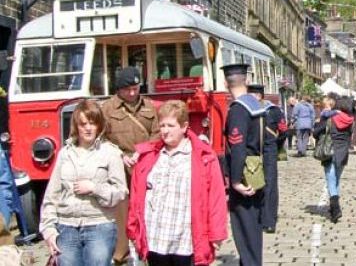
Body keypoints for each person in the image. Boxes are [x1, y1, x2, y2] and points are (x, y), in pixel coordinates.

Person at [127, 100, 227, 266]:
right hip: (156, 235)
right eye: (162, 125)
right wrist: (133, 228)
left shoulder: (203, 157)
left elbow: (216, 198)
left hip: (185, 236)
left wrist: (216, 233)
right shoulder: (149, 156)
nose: (165, 131)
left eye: (170, 126)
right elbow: (136, 196)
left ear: (184, 126)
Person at [40, 99, 127, 266]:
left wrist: (95, 188)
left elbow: (120, 191)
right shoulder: (65, 154)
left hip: (99, 225)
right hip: (66, 226)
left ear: (99, 125)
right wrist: (49, 230)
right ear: (76, 126)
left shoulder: (110, 153)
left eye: (92, 123)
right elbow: (51, 195)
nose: (88, 128)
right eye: (83, 123)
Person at [101, 66, 159, 265]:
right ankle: (121, 253)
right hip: (119, 171)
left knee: (146, 210)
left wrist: (142, 151)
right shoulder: (106, 109)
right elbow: (101, 138)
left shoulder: (149, 106)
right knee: (121, 213)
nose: (133, 93)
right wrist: (120, 155)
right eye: (128, 90)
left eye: (136, 88)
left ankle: (146, 249)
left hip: (145, 166)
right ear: (119, 89)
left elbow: (158, 133)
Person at [222, 64, 266, 266]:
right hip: (257, 169)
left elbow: (237, 147)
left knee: (244, 231)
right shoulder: (255, 105)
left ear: (226, 83)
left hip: (245, 175)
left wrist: (236, 181)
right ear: (246, 81)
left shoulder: (238, 109)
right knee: (253, 231)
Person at [247, 84, 285, 234]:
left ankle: (269, 220)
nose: (253, 98)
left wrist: (275, 145)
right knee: (253, 182)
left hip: (269, 150)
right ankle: (256, 216)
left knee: (270, 184)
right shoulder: (247, 111)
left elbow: (283, 130)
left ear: (261, 96)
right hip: (252, 151)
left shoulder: (273, 111)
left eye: (255, 95)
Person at [313, 94, 354, 223]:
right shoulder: (350, 120)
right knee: (336, 179)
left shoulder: (330, 118)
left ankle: (335, 208)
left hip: (329, 152)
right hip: (342, 153)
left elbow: (316, 132)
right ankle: (333, 207)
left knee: (330, 179)